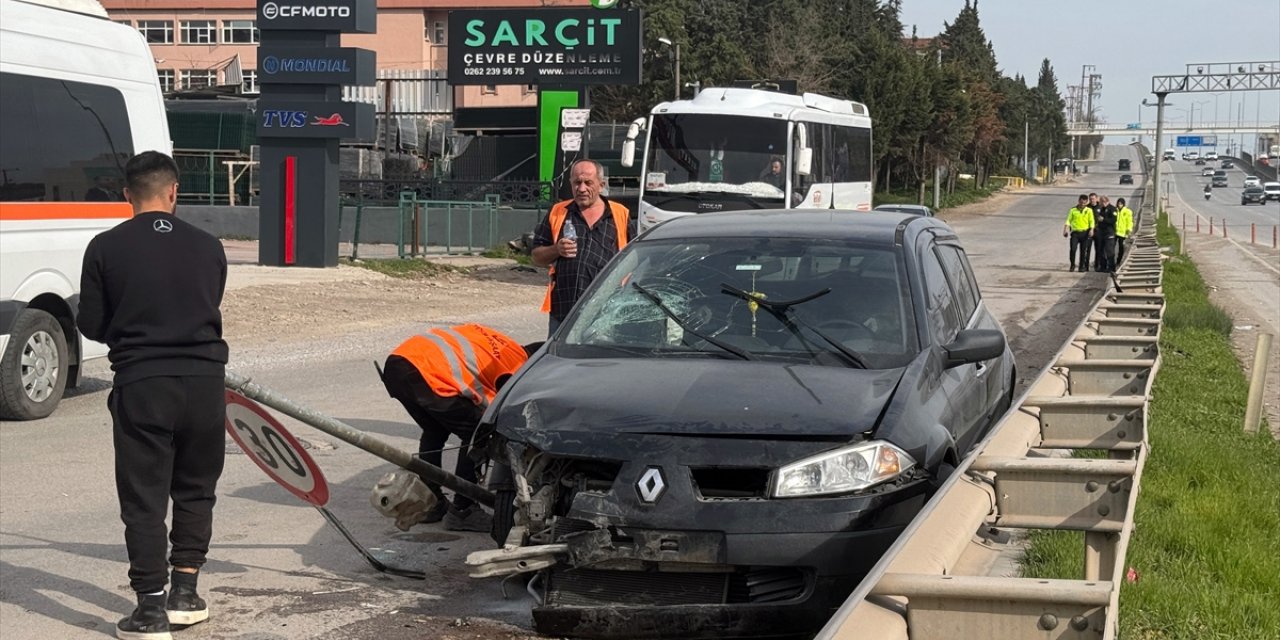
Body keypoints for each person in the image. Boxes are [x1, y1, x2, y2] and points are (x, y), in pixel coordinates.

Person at [77, 151, 229, 640]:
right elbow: (209, 302)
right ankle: (186, 592)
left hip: (143, 383)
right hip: (206, 383)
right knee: (195, 488)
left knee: (144, 498)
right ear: (174, 192)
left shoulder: (104, 247)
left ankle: (149, 610)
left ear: (127, 195)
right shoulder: (209, 246)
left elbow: (93, 325)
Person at [379, 324, 532, 531]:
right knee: (478, 434)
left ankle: (432, 504)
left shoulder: (504, 346)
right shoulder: (517, 367)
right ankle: (463, 509)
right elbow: (494, 412)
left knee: (435, 431)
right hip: (426, 373)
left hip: (398, 365)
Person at [531, 159, 633, 336]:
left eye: (588, 183)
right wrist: (556, 249)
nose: (582, 188)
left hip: (606, 312)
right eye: (577, 183)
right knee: (559, 362)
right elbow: (536, 256)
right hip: (564, 309)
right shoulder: (558, 212)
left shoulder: (620, 214)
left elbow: (635, 258)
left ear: (601, 185)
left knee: (601, 362)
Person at [1063, 194, 1095, 272]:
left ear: (1087, 202)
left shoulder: (1089, 211)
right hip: (1075, 233)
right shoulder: (1073, 210)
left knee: (1083, 251)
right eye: (1081, 202)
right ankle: (1072, 265)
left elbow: (1091, 221)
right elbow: (1068, 220)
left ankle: (1081, 266)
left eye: (1084, 203)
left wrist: (1091, 230)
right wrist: (1065, 230)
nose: (1082, 204)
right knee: (1073, 249)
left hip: (1085, 233)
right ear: (1078, 201)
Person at [1093, 195, 1118, 273]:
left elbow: (1113, 220)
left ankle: (1111, 267)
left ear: (1107, 201)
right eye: (1101, 202)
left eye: (1104, 202)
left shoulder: (1112, 209)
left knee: (1109, 250)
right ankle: (1102, 266)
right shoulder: (1101, 209)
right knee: (1101, 250)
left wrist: (1103, 220)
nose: (1103, 204)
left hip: (1109, 232)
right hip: (1101, 232)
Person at [1114, 197, 1134, 267]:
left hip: (1123, 233)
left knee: (1121, 248)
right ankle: (1111, 262)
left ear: (1123, 204)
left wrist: (1129, 230)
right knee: (1111, 248)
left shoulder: (1127, 212)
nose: (1119, 205)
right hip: (1115, 232)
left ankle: (1118, 262)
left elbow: (1129, 222)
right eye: (1118, 204)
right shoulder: (1115, 211)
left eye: (1121, 204)